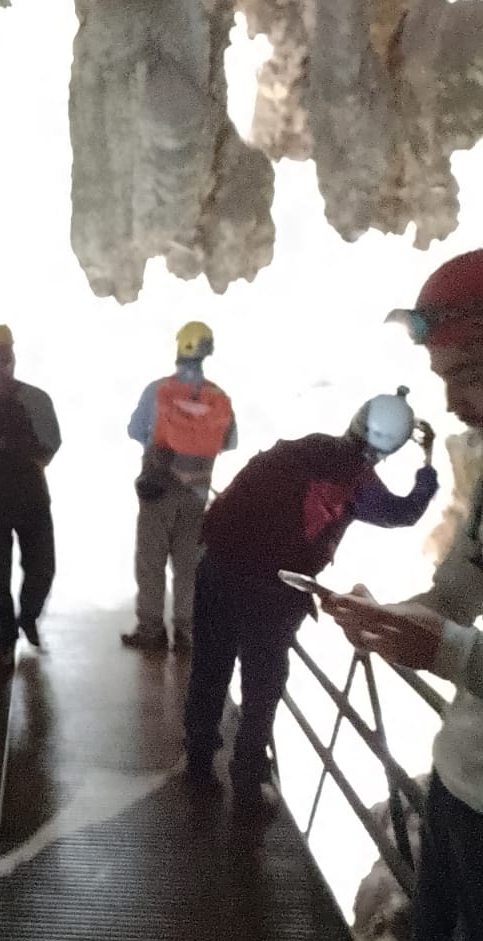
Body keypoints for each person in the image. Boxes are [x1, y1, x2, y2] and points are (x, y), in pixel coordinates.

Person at [326, 251, 483, 941]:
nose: (457, 401)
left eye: (468, 377)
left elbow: (464, 638)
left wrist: (446, 645)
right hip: (461, 790)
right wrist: (402, 619)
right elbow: (462, 596)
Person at [185, 386, 438, 815]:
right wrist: (428, 470)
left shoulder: (304, 448)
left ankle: (198, 761)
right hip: (275, 592)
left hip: (219, 569)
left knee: (211, 665)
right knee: (262, 686)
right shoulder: (358, 483)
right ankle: (247, 781)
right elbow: (403, 513)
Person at [122, 321, 237, 655]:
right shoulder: (219, 397)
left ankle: (151, 630)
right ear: (208, 352)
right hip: (198, 491)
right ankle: (187, 632)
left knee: (151, 561)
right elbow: (229, 441)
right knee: (188, 565)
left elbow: (134, 430)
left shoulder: (157, 391)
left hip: (158, 488)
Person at [0, 323, 62, 667]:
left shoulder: (34, 400)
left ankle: (27, 617)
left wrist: (8, 449)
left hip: (29, 497)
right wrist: (17, 452)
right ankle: (5, 636)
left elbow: (50, 447)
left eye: (4, 356)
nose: (1, 363)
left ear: (13, 358)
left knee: (42, 567)